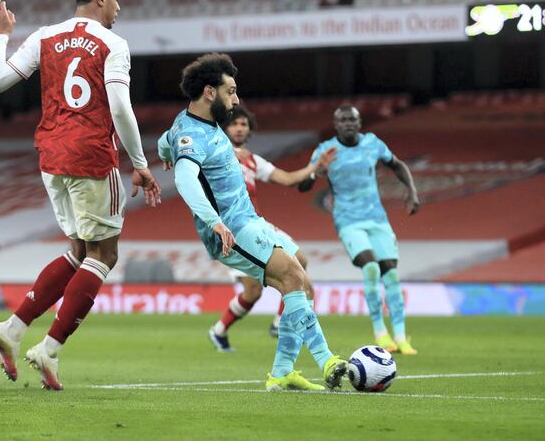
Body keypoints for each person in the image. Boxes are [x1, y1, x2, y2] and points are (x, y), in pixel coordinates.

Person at [0, 0, 161, 391]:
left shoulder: (45, 36)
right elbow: (119, 106)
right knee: (104, 255)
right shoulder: (112, 43)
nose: (119, 6)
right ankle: (50, 348)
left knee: (79, 250)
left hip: (51, 157)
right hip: (92, 156)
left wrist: (0, 35)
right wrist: (139, 162)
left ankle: (12, 328)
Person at [158, 53, 347, 392]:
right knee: (291, 277)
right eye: (231, 91)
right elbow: (186, 179)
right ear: (209, 93)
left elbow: (164, 141)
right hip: (231, 227)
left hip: (249, 220)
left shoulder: (194, 126)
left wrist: (162, 156)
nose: (237, 99)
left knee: (299, 270)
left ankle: (282, 373)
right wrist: (214, 221)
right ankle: (326, 360)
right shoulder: (192, 135)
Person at [208, 106, 335, 351]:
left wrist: (314, 167)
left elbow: (287, 179)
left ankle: (278, 321)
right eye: (235, 124)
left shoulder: (253, 161)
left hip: (255, 224)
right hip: (232, 231)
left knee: (299, 260)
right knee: (253, 292)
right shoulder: (216, 154)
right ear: (225, 128)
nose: (239, 128)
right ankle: (219, 330)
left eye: (244, 124)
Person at [298, 104, 420, 355]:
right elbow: (303, 185)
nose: (348, 124)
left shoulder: (373, 144)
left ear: (360, 122)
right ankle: (380, 332)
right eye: (342, 120)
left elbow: (397, 165)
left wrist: (412, 192)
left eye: (351, 120)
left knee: (393, 276)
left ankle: (400, 335)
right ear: (336, 124)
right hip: (348, 220)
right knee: (372, 267)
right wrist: (316, 172)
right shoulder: (326, 150)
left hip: (377, 219)